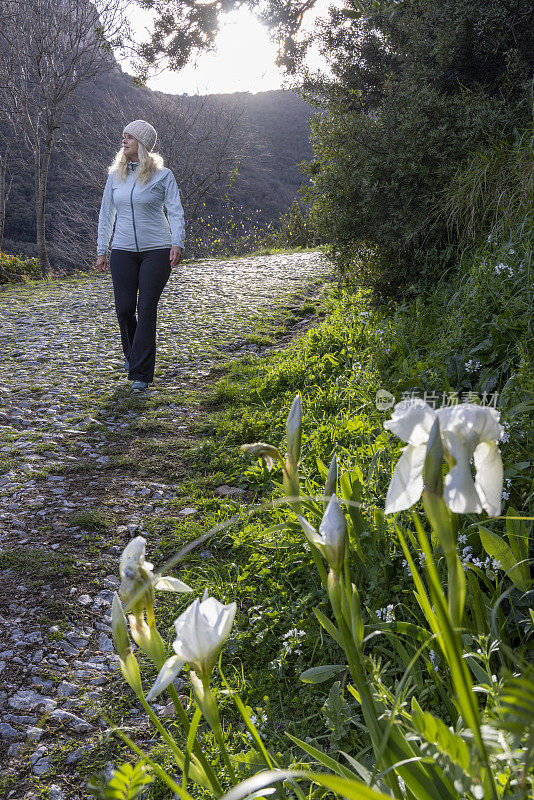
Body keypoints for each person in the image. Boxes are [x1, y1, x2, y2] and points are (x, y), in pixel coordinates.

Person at [96, 119, 185, 392]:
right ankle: (133, 356)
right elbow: (106, 215)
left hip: (157, 250)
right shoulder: (115, 177)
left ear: (142, 144)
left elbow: (175, 210)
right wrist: (102, 250)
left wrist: (176, 242)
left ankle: (141, 374)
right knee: (124, 309)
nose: (124, 141)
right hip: (122, 250)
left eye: (130, 138)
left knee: (146, 309)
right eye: (123, 137)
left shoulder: (163, 175)